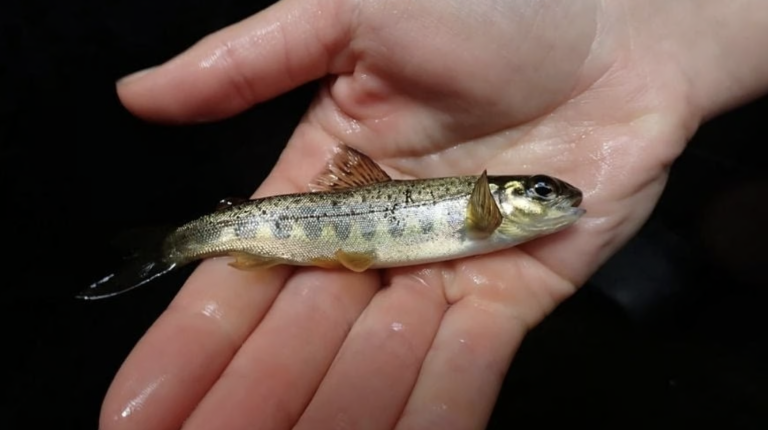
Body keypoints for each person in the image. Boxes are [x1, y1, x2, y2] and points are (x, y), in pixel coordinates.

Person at [100, 1, 768, 429]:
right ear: (498, 202)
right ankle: (170, 245)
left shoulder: (489, 217)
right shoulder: (481, 216)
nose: (557, 201)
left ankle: (170, 245)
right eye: (540, 192)